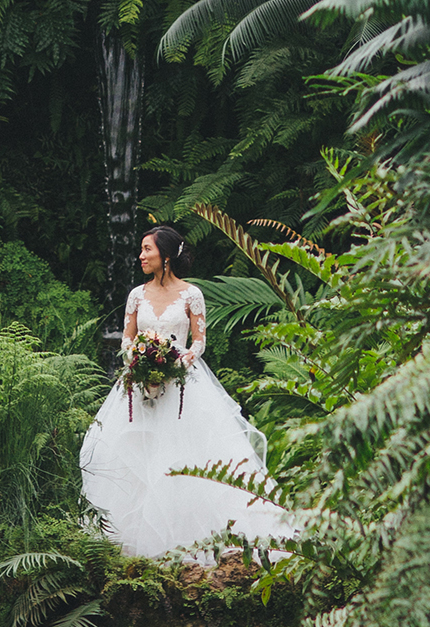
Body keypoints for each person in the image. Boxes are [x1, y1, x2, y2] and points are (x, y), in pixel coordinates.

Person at [80, 224, 290, 559]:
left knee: (186, 456)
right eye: (141, 249)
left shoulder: (192, 294)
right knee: (133, 453)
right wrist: (138, 361)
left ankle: (197, 540)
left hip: (181, 383)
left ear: (165, 255)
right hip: (139, 383)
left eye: (147, 249)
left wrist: (176, 364)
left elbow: (199, 342)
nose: (141, 256)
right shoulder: (136, 295)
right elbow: (127, 338)